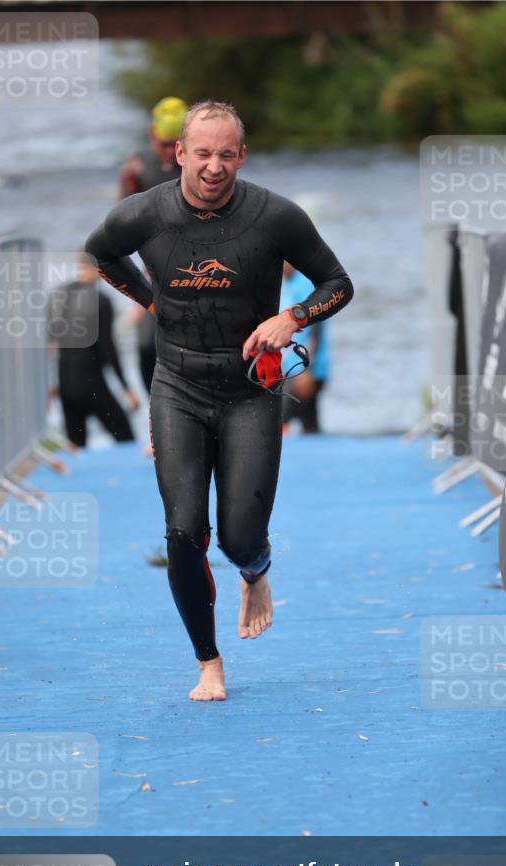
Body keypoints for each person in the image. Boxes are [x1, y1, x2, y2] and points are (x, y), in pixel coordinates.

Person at [85, 100, 353, 701]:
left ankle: (254, 569)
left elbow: (340, 283)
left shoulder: (275, 216)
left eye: (226, 154)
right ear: (179, 153)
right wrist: (150, 301)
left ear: (242, 156)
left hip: (251, 393)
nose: (214, 167)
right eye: (202, 153)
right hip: (176, 387)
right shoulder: (144, 214)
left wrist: (293, 316)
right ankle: (209, 662)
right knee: (183, 531)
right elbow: (100, 252)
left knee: (237, 537)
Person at [47, 253, 141, 447]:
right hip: (92, 386)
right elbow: (108, 349)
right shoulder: (101, 301)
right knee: (126, 438)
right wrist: (127, 389)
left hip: (66, 386)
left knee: (76, 446)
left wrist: (51, 383)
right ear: (100, 270)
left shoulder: (58, 295)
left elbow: (50, 344)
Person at [280, 261, 331, 433]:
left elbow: (317, 325)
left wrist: (307, 368)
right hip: (294, 367)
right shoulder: (288, 284)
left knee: (280, 419)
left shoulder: (306, 284)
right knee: (310, 426)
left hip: (305, 370)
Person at [118, 96, 188, 199]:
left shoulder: (196, 166)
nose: (171, 151)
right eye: (164, 145)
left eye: (176, 145)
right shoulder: (137, 165)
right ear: (151, 134)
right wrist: (128, 181)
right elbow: (123, 211)